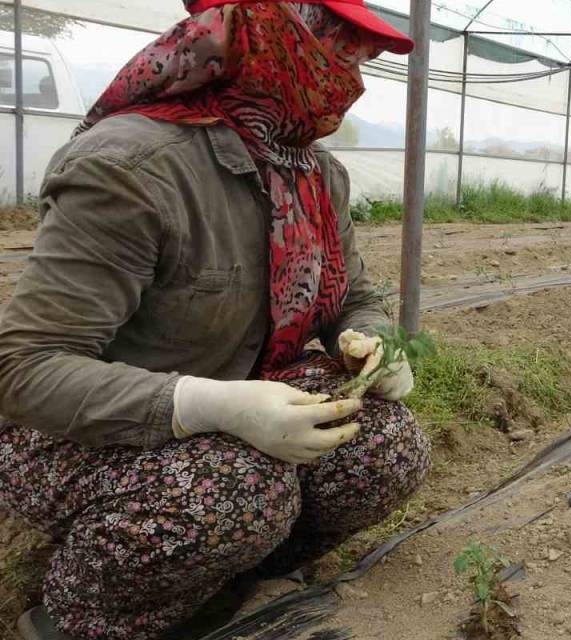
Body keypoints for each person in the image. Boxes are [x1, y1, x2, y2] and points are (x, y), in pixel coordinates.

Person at [0, 3, 428, 639]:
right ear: (276, 44)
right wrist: (210, 406)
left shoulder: (314, 174)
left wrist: (370, 342)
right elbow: (26, 370)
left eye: (362, 66)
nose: (352, 85)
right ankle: (82, 619)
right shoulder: (132, 166)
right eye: (340, 57)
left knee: (384, 444)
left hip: (238, 400)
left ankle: (242, 578)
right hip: (77, 433)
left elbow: (352, 297)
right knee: (241, 490)